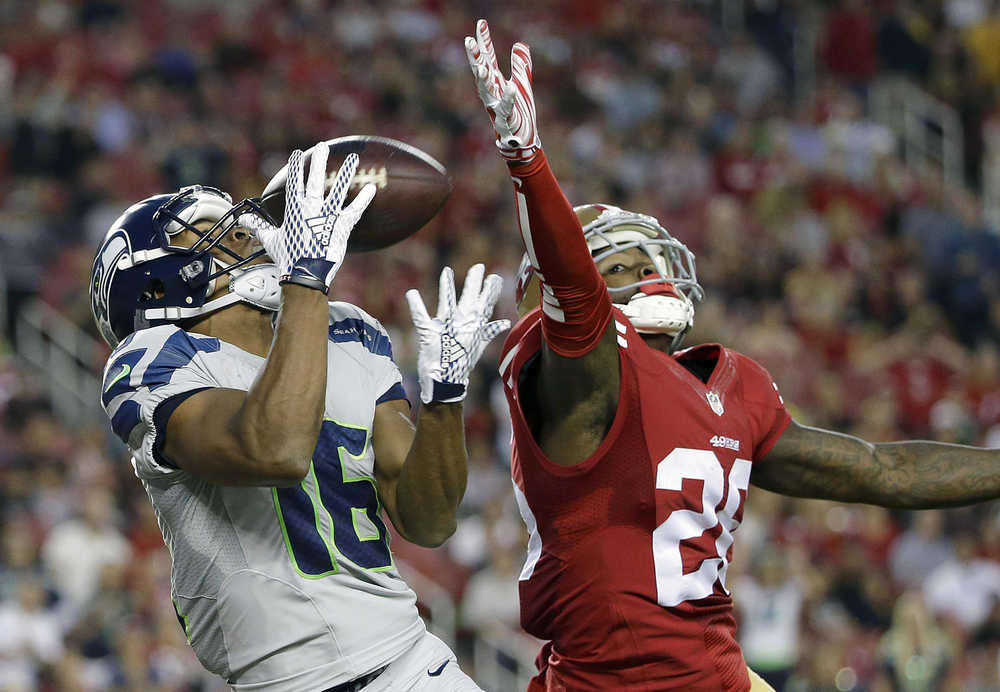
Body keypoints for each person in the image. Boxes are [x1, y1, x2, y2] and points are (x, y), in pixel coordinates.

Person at [465, 18, 1000, 692]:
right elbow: (574, 294)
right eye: (629, 261)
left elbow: (882, 470)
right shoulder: (588, 378)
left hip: (714, 672)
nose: (654, 267)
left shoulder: (732, 384)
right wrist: (529, 164)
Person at [90, 143, 509, 691]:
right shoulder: (154, 360)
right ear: (153, 281)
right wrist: (305, 281)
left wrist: (444, 399)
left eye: (236, 223)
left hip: (414, 664)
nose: (244, 232)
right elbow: (276, 450)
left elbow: (429, 522)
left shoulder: (346, 328)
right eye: (208, 228)